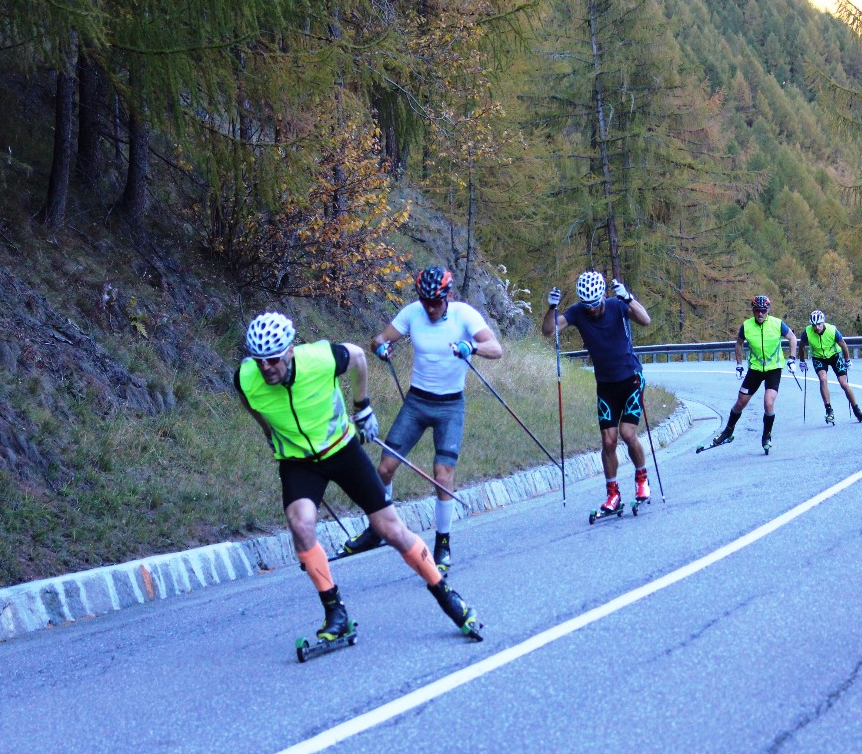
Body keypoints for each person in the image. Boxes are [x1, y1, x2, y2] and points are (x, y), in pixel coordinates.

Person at [234, 310, 482, 643]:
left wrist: (362, 406)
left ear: (290, 350)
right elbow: (251, 404)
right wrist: (269, 434)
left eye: (273, 359)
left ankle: (446, 595)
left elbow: (359, 356)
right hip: (298, 461)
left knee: (390, 530)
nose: (266, 368)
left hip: (341, 450)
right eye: (259, 360)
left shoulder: (321, 358)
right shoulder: (246, 378)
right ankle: (335, 613)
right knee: (301, 524)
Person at [341, 266, 502, 575]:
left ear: (448, 297)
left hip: (450, 406)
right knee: (384, 468)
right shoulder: (413, 313)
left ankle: (443, 544)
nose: (430, 308)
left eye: (436, 302)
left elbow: (496, 349)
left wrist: (472, 347)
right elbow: (377, 339)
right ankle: (378, 529)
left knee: (442, 475)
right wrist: (381, 348)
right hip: (416, 403)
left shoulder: (464, 315)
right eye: (425, 301)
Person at [541, 270, 652, 514]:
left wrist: (628, 298)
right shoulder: (577, 312)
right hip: (606, 385)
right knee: (608, 441)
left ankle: (642, 480)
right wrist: (552, 308)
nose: (591, 308)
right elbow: (549, 331)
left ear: (602, 296)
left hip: (631, 379)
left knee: (627, 434)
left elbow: (645, 320)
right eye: (586, 304)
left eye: (594, 303)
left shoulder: (616, 305)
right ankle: (613, 494)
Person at [708, 295, 799, 453]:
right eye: (757, 310)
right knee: (740, 403)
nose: (760, 313)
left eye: (763, 310)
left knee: (768, 402)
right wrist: (739, 365)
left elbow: (792, 338)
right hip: (755, 369)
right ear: (753, 310)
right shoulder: (747, 326)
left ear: (768, 310)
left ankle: (766, 435)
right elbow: (739, 343)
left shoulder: (777, 323)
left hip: (773, 369)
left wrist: (792, 359)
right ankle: (728, 431)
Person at [798, 309, 862, 424]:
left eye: (819, 324)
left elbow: (843, 345)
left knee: (844, 383)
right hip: (818, 357)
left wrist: (847, 360)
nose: (817, 327)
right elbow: (801, 346)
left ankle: (858, 411)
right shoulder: (807, 332)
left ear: (823, 322)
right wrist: (802, 361)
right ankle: (829, 411)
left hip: (834, 356)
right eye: (814, 325)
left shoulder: (832, 330)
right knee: (823, 379)